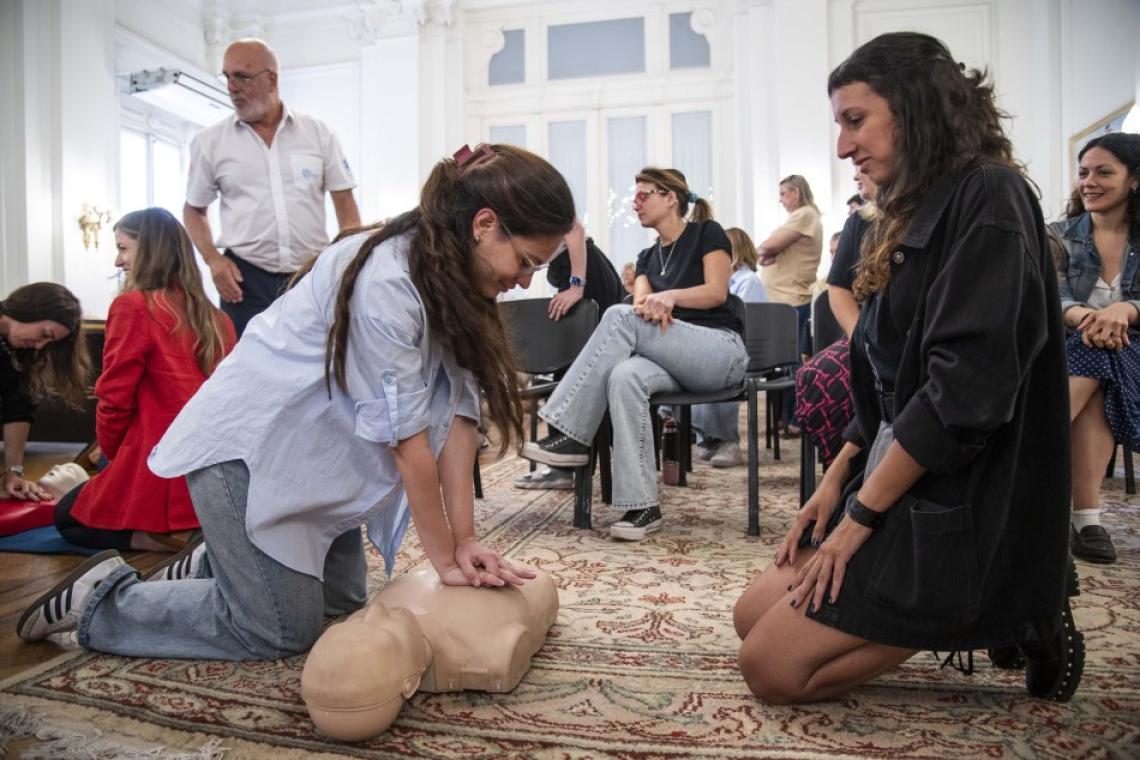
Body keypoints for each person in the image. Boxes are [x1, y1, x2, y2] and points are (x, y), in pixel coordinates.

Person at [17, 144, 574, 660]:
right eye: (525, 261)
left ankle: (212, 562)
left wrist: (467, 539)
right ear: (483, 226)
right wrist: (446, 561)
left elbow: (458, 416)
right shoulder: (386, 280)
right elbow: (408, 445)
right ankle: (102, 599)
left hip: (311, 462)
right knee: (281, 629)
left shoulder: (454, 284)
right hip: (248, 455)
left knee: (341, 604)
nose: (524, 282)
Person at [733, 32, 1082, 705]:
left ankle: (1020, 608)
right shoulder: (910, 206)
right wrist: (833, 484)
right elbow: (887, 379)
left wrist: (860, 519)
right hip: (902, 468)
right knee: (752, 618)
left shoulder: (990, 197)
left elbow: (962, 395)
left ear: (916, 106)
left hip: (963, 490)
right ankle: (993, 606)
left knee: (772, 671)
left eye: (855, 120)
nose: (842, 147)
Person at [520, 167, 747, 541]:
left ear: (670, 197)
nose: (635, 203)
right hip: (669, 357)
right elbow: (640, 304)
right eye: (634, 196)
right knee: (623, 377)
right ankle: (642, 507)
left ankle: (569, 432)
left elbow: (716, 292)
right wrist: (651, 302)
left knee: (618, 316)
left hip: (719, 351)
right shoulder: (645, 257)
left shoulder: (707, 233)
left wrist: (670, 297)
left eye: (644, 195)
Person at [52, 208, 237, 552]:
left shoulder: (134, 306)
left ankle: (169, 542)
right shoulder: (218, 318)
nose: (117, 261)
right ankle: (188, 534)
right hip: (210, 466)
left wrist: (111, 457)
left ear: (149, 250)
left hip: (158, 464)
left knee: (67, 516)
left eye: (123, 248)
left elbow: (114, 396)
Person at [183, 38, 361, 336]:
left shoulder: (318, 134)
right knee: (249, 375)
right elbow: (194, 210)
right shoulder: (210, 143)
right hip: (244, 281)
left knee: (317, 367)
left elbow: (345, 204)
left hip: (310, 275)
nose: (231, 87)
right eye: (227, 77)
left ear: (272, 79)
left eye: (243, 76)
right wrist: (212, 259)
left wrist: (348, 261)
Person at [1054, 132, 1140, 565]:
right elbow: (1051, 296)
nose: (1089, 181)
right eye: (1084, 171)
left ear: (1134, 180)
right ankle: (1086, 521)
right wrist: (1087, 318)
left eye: (1104, 172)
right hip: (1073, 349)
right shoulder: (1058, 235)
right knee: (1097, 354)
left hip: (1134, 355)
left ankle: (1027, 459)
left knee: (1103, 356)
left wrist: (1125, 308)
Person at [514, 218, 625, 491]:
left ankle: (573, 462)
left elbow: (573, 229)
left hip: (584, 273)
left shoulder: (529, 190)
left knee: (580, 365)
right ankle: (566, 465)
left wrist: (576, 284)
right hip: (574, 269)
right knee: (571, 364)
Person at [795, 166, 879, 467]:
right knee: (817, 376)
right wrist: (864, 341)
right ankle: (842, 472)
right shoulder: (859, 222)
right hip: (868, 331)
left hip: (915, 334)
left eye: (862, 168)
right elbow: (838, 287)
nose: (856, 173)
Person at [0, 283, 90, 501]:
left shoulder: (18, 350)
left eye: (49, 341)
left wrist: (14, 473)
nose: (40, 346)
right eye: (44, 334)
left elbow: (18, 410)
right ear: (31, 308)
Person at [692, 226, 767, 467]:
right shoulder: (720, 282)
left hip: (746, 350)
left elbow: (744, 324)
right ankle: (710, 437)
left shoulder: (748, 281)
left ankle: (727, 441)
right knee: (695, 360)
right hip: (722, 343)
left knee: (717, 361)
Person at [757, 174, 824, 435]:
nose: (781, 200)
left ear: (796, 192)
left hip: (793, 300)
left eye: (784, 194)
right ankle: (787, 419)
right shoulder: (801, 217)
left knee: (794, 363)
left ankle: (797, 419)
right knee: (787, 363)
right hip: (785, 301)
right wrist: (766, 253)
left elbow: (768, 246)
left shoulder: (805, 214)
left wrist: (767, 250)